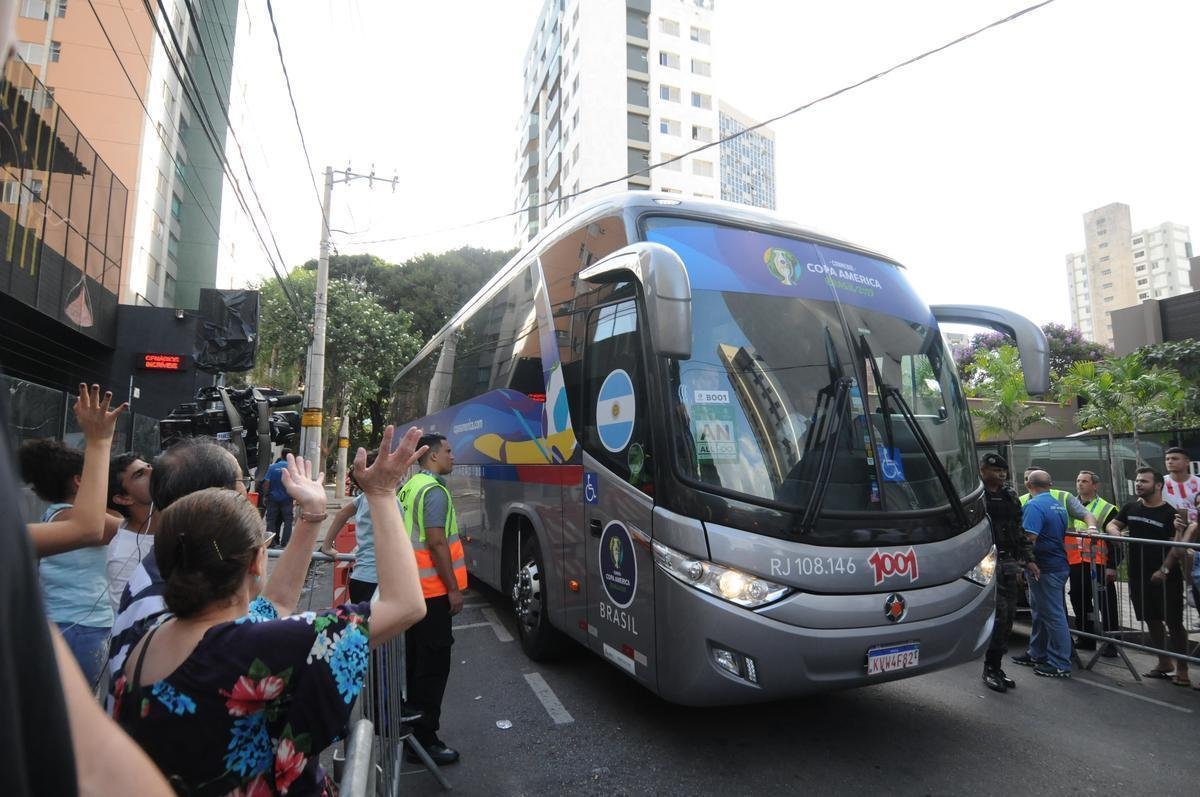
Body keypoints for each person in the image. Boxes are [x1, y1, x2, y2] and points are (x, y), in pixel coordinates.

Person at [112, 427, 428, 793]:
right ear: (257, 562)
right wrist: (382, 492)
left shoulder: (147, 640)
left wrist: (312, 516)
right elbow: (404, 605)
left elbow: (273, 606)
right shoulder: (259, 646)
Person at [107, 437, 257, 692]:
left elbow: (276, 605)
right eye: (241, 482)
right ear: (218, 499)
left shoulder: (185, 555)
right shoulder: (170, 580)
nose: (247, 493)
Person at [20, 385, 128, 686]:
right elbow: (114, 528)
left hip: (65, 624)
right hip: (79, 628)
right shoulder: (69, 516)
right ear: (80, 481)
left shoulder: (54, 514)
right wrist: (99, 441)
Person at [398, 433, 468, 764]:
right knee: (433, 669)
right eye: (449, 451)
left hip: (413, 594)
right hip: (433, 595)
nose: (453, 456)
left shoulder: (409, 488)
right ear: (432, 457)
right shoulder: (434, 491)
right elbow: (437, 542)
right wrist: (453, 588)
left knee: (415, 665)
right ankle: (425, 739)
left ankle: (412, 734)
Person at [1106, 467, 1191, 687]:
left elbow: (1177, 547)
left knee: (1174, 622)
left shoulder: (1171, 513)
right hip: (1137, 574)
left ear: (1158, 485)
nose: (1138, 484)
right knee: (1150, 619)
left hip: (1166, 577)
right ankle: (1164, 663)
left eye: (1144, 481)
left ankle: (1183, 669)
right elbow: (1113, 524)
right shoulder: (1131, 507)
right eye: (1137, 480)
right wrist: (1116, 535)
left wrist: (1163, 570)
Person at [979, 453, 1033, 693]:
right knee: (996, 615)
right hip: (982, 561)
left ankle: (996, 667)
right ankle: (989, 668)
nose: (1001, 474)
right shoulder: (975, 495)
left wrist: (1029, 559)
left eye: (1004, 471)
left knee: (1008, 615)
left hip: (1008, 561)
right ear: (983, 470)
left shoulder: (1009, 495)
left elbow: (1018, 529)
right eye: (996, 470)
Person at [1012, 470, 1070, 678]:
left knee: (1053, 615)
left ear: (1028, 485)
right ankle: (1037, 653)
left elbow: (1029, 539)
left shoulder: (1034, 505)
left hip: (1045, 568)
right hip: (1056, 565)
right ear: (1050, 484)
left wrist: (1024, 563)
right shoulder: (1058, 505)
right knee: (1041, 612)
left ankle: (1060, 663)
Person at [321, 450, 394, 603]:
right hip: (377, 580)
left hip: (363, 576)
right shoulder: (382, 501)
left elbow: (342, 514)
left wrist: (327, 546)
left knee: (362, 626)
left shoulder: (366, 497)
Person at [1068, 470, 1120, 653]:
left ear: (1095, 485)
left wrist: (1112, 566)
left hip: (1100, 564)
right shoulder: (1069, 505)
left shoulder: (1107, 509)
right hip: (1076, 563)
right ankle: (1086, 638)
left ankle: (1111, 643)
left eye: (1084, 481)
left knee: (1106, 604)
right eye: (1078, 480)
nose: (1080, 484)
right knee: (1079, 600)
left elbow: (1116, 542)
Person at [105, 452, 155, 615]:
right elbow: (130, 617)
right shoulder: (123, 555)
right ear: (123, 498)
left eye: (148, 466)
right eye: (140, 474)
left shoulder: (180, 516)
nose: (152, 472)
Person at [260, 448, 296, 548]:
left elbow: (267, 483)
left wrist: (265, 495)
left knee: (271, 520)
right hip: (287, 498)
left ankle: (271, 542)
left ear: (281, 455)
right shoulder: (292, 469)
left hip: (273, 498)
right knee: (288, 521)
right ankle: (286, 542)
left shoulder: (272, 467)